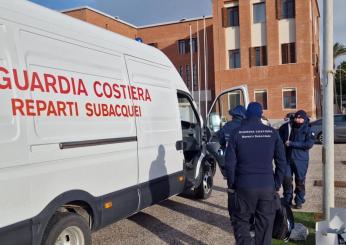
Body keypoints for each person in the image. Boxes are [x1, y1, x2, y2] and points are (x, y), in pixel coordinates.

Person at [225, 102, 287, 245]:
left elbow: (230, 163)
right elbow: (281, 162)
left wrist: (232, 184)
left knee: (241, 223)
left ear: (246, 114)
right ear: (261, 115)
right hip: (266, 186)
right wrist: (276, 183)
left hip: (244, 186)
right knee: (265, 227)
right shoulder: (273, 133)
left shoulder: (237, 133)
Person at [282, 110, 315, 209]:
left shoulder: (308, 129)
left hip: (301, 160)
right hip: (287, 159)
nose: (298, 120)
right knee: (286, 180)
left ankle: (299, 200)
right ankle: (287, 199)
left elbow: (309, 144)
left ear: (304, 119)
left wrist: (292, 143)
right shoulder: (288, 127)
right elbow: (279, 137)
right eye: (297, 118)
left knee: (300, 181)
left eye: (300, 118)